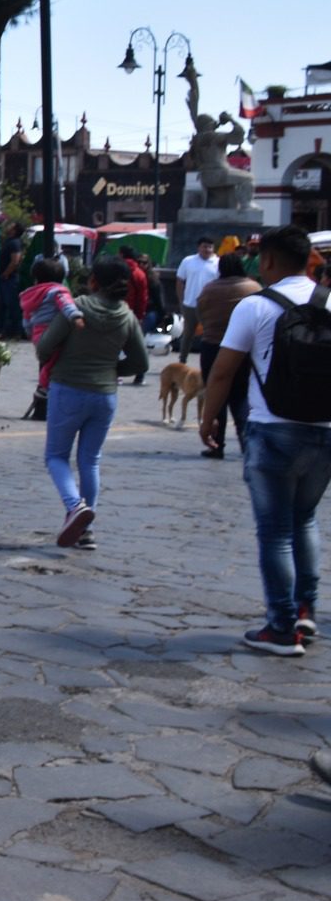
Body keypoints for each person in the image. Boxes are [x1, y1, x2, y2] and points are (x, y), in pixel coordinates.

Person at [200, 225, 331, 656]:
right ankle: (305, 611)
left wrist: (209, 417)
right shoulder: (329, 299)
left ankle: (281, 628)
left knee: (275, 532)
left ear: (269, 260)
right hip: (324, 430)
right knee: (305, 520)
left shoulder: (254, 306)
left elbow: (223, 371)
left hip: (271, 427)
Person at [36, 256, 147, 550]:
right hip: (105, 395)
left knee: (56, 457)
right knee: (90, 460)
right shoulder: (127, 315)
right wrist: (112, 369)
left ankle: (75, 507)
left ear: (94, 281)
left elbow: (45, 346)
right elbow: (140, 362)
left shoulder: (79, 307)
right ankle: (86, 531)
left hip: (68, 389)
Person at [193, 252, 259, 459]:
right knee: (240, 396)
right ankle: (246, 442)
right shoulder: (253, 288)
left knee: (215, 395)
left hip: (213, 346)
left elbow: (200, 314)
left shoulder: (209, 289)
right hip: (243, 349)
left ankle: (216, 444)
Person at [20, 255, 85, 421]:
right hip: (52, 331)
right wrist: (76, 317)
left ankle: (44, 390)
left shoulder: (32, 293)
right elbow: (66, 304)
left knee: (47, 360)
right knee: (53, 362)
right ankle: (43, 388)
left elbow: (27, 315)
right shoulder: (57, 291)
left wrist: (28, 330)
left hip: (37, 332)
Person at [116, 245, 151, 384]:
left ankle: (115, 373)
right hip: (133, 314)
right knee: (137, 344)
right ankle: (140, 375)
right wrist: (140, 315)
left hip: (116, 310)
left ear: (121, 255)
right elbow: (143, 297)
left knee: (115, 343)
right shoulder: (139, 273)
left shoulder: (115, 270)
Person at [178, 236, 220, 349]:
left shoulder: (218, 263)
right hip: (190, 304)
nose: (207, 249)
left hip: (209, 305)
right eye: (204, 246)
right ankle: (182, 360)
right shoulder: (188, 261)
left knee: (209, 335)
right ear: (199, 248)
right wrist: (181, 300)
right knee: (188, 334)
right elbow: (180, 281)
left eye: (210, 247)